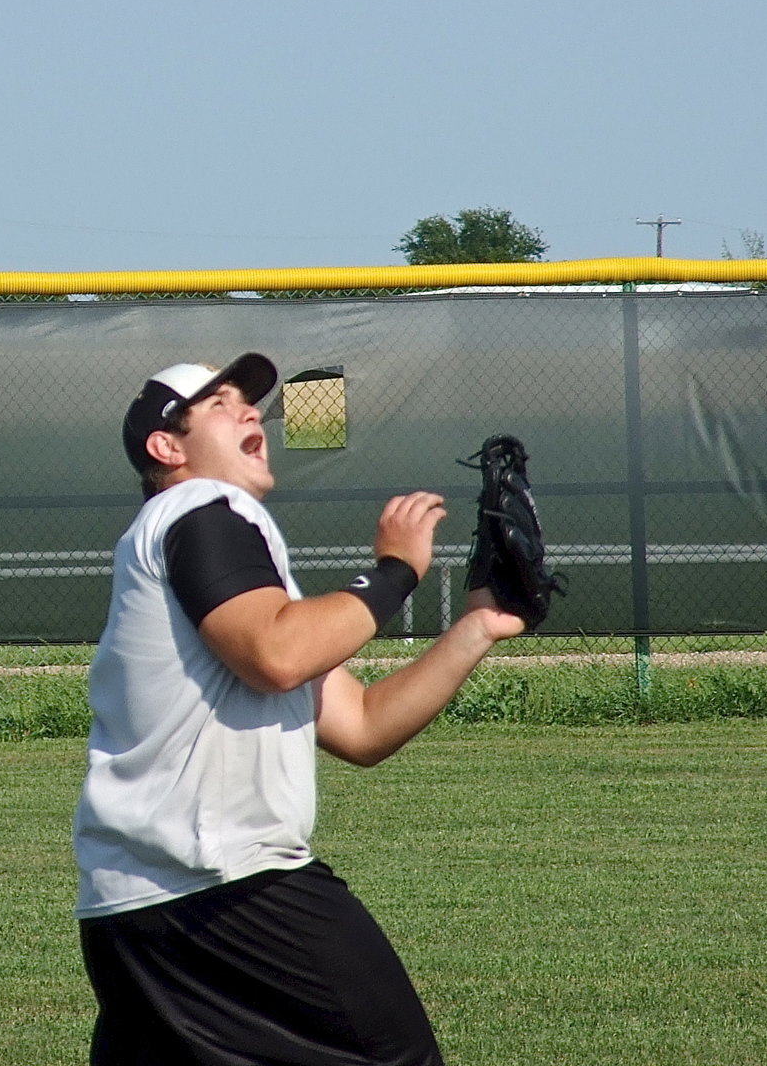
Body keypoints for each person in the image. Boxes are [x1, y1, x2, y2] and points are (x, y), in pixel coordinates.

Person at [73, 352, 525, 1065]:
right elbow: (277, 652)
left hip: (136, 908)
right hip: (229, 889)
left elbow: (361, 726)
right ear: (168, 447)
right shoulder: (200, 507)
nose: (252, 413)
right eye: (220, 405)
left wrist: (476, 629)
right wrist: (394, 571)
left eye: (250, 404)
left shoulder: (195, 551)